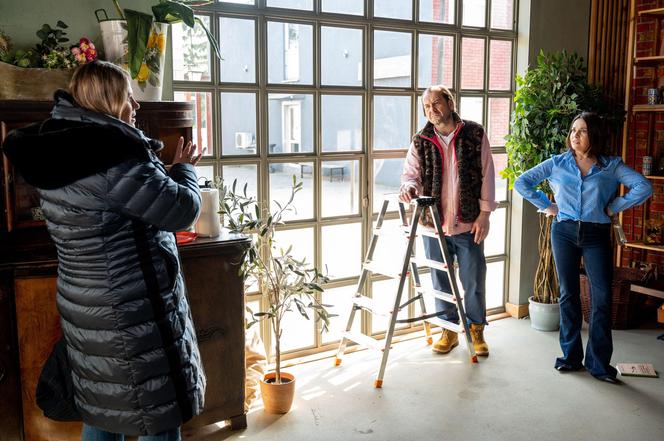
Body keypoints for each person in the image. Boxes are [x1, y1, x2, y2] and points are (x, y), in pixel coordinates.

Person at [2, 60, 205, 440]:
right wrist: (183, 170)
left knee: (102, 404)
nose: (136, 105)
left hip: (85, 306)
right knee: (156, 412)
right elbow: (181, 210)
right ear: (112, 100)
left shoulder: (57, 147)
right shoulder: (114, 156)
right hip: (132, 311)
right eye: (129, 96)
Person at [514, 111, 652, 384]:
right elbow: (521, 182)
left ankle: (599, 365)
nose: (574, 135)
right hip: (563, 232)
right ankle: (570, 357)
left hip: (596, 234)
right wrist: (547, 205)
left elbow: (643, 186)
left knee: (601, 298)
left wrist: (615, 206)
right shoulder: (558, 163)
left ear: (595, 136)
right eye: (573, 130)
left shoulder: (611, 166)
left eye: (582, 131)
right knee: (568, 295)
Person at [400, 85, 497, 356]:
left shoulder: (474, 133)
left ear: (450, 102)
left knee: (474, 280)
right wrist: (408, 187)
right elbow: (410, 174)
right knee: (440, 281)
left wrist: (485, 214)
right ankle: (449, 329)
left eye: (437, 103)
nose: (432, 110)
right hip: (434, 225)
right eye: (427, 106)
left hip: (468, 223)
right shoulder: (421, 139)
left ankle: (476, 329)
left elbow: (488, 173)